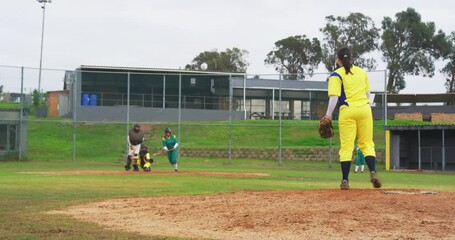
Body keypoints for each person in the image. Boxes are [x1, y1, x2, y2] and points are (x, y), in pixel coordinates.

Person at [325, 47, 382, 190]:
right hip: (365, 109)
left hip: (348, 111)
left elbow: (334, 97)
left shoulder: (336, 75)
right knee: (367, 143)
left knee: (347, 146)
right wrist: (363, 105)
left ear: (338, 60)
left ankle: (345, 180)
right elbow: (368, 94)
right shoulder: (362, 72)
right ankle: (373, 172)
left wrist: (328, 115)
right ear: (351, 59)